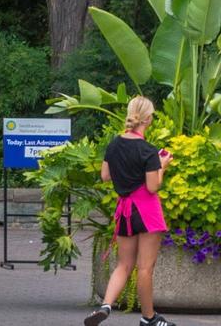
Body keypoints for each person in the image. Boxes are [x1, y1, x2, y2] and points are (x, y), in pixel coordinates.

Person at [85, 95, 176, 326]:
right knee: (145, 268)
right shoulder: (148, 150)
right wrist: (162, 166)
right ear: (147, 119)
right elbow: (153, 186)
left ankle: (106, 305)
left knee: (123, 265)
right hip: (146, 211)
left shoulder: (114, 144)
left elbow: (105, 176)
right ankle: (149, 319)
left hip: (125, 210)